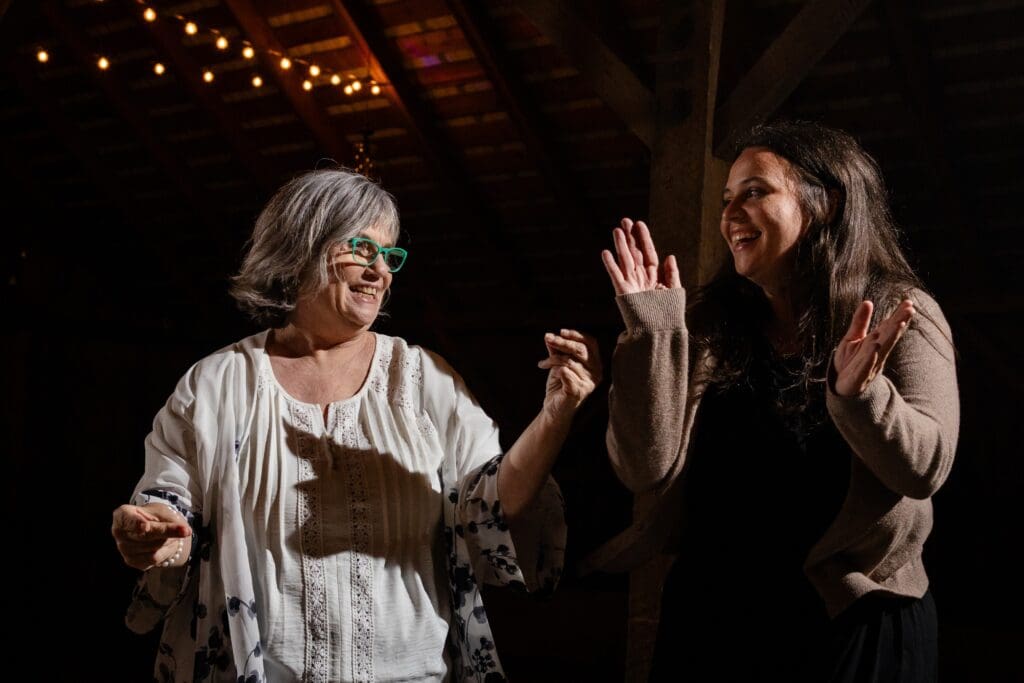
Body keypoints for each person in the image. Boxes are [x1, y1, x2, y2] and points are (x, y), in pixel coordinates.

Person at [111, 168, 602, 682]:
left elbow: (493, 506)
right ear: (301, 246)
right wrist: (154, 535)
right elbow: (171, 512)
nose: (380, 271)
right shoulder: (217, 384)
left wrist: (557, 413)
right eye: (362, 249)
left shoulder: (422, 380)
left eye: (388, 256)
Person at [594, 121, 958, 681]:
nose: (730, 213)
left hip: (850, 620)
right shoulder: (711, 324)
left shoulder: (899, 311)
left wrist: (861, 397)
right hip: (714, 617)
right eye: (726, 198)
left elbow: (926, 468)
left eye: (755, 191)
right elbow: (643, 468)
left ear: (826, 205)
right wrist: (652, 334)